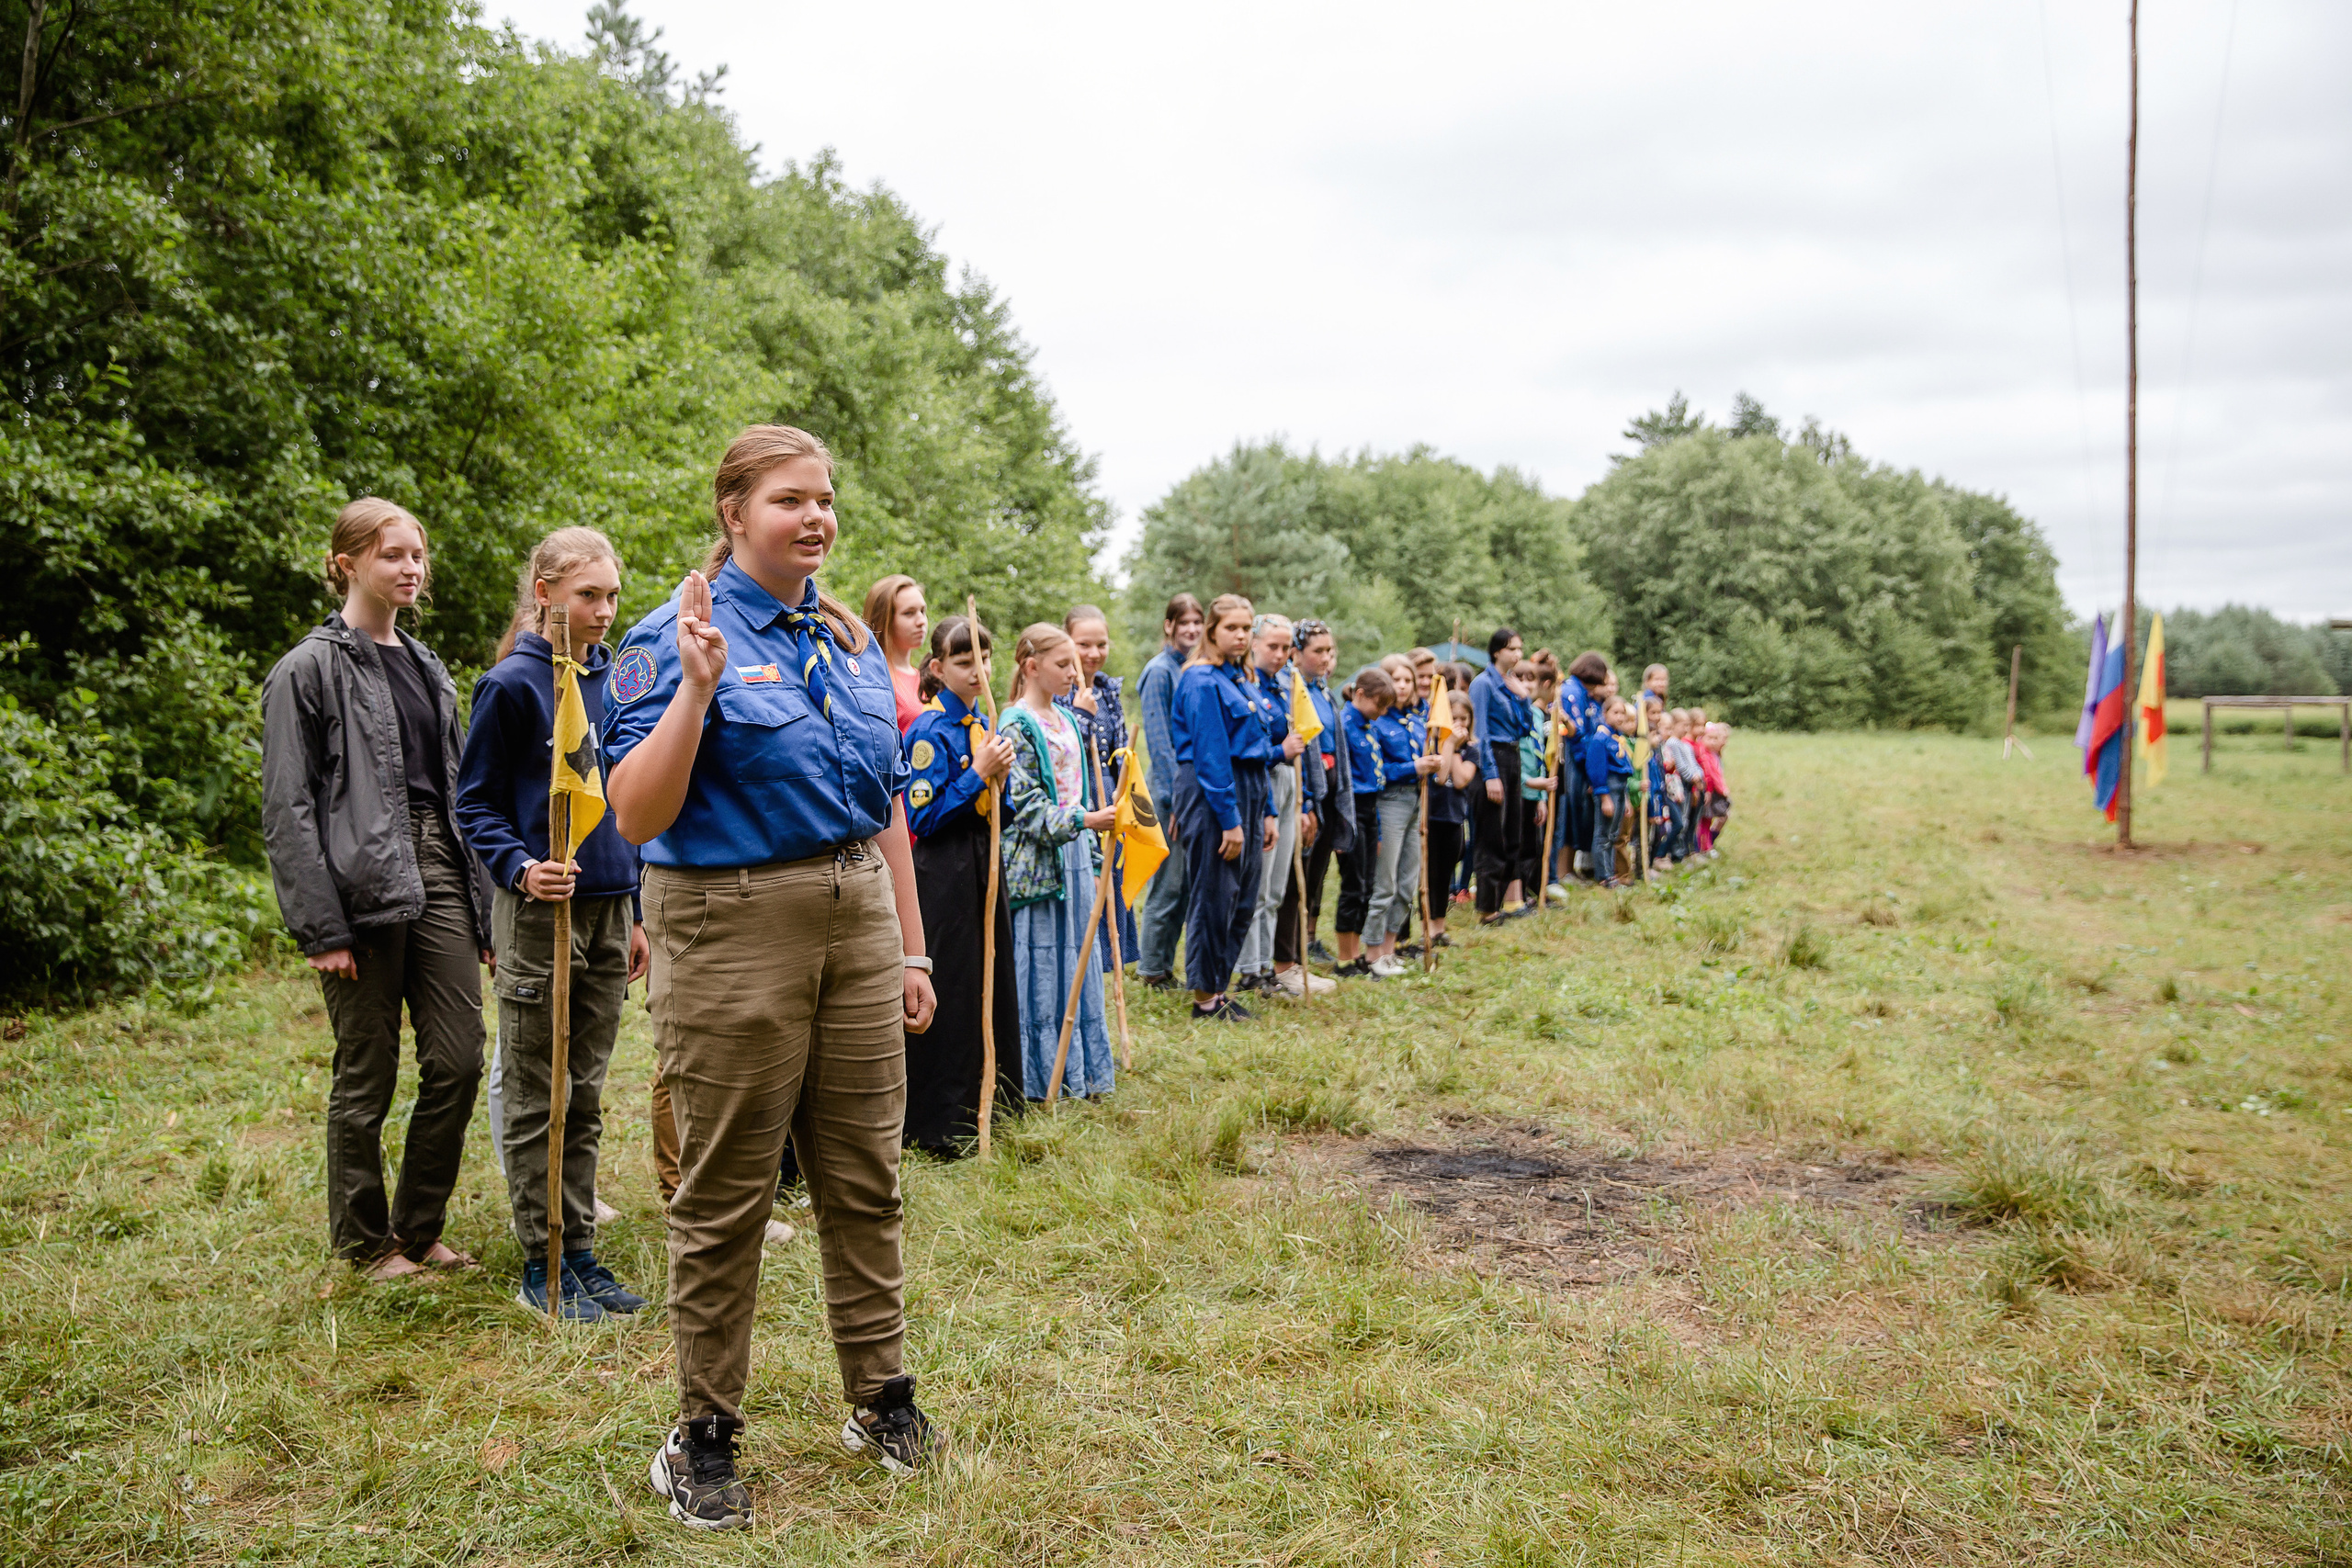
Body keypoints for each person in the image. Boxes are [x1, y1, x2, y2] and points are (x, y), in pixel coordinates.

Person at [604, 424, 944, 1530]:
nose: (817, 518)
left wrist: (909, 943)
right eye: (791, 499)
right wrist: (696, 696)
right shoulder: (671, 639)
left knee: (864, 1173)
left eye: (827, 499)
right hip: (731, 920)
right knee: (727, 1193)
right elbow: (635, 816)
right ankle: (700, 1436)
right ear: (734, 512)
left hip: (856, 916)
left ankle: (879, 1395)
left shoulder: (844, 641)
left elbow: (885, 801)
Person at [262, 498, 493, 1281]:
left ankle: (418, 1226)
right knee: (368, 1071)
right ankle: (365, 1244)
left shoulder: (429, 666)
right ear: (348, 562)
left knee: (460, 1059)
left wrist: (484, 910)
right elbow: (288, 806)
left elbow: (459, 791)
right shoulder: (307, 668)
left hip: (441, 871)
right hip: (357, 886)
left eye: (418, 556)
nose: (411, 568)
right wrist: (319, 924)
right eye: (393, 554)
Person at [453, 526, 650, 1320]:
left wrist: (633, 907)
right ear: (544, 593)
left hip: (607, 906)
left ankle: (582, 1253)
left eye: (610, 595)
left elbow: (625, 800)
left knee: (589, 1087)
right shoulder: (513, 684)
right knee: (540, 1089)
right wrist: (522, 865)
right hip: (541, 909)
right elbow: (475, 802)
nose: (603, 611)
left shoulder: (612, 681)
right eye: (586, 596)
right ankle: (543, 1258)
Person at [900, 615, 1023, 1150]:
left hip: (983, 863)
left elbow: (1003, 813)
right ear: (939, 667)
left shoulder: (987, 725)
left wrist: (1002, 778)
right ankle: (939, 1118)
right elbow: (922, 818)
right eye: (965, 661)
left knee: (989, 975)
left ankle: (991, 1099)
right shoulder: (929, 730)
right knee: (950, 983)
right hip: (943, 871)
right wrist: (976, 772)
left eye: (985, 659)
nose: (979, 671)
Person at [999, 623, 1118, 1098]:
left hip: (1074, 854)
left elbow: (1081, 788)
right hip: (1038, 862)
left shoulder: (1067, 720)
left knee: (1078, 961)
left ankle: (1081, 1072)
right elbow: (1023, 806)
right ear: (1031, 667)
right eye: (1063, 664)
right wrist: (1087, 822)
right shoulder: (1014, 722)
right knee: (1042, 969)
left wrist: (1090, 855)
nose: (1075, 673)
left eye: (1075, 664)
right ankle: (1038, 1076)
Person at [1170, 594, 1274, 1020]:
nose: (1241, 635)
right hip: (1212, 792)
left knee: (1242, 897)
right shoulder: (1201, 680)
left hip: (1247, 789)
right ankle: (1203, 1000)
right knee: (1214, 894)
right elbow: (1212, 755)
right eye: (1232, 627)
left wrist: (1266, 811)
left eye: (1247, 628)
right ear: (1212, 630)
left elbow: (1259, 750)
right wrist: (1230, 821)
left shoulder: (1238, 678)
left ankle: (1219, 988)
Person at [1060, 604, 1136, 976]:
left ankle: (1108, 972)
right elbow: (1062, 751)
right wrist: (1080, 714)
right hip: (1078, 800)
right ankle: (1081, 973)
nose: (1092, 653)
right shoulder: (1060, 691)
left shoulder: (1108, 689)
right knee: (1087, 889)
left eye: (1100, 644)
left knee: (1112, 887)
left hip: (1111, 800)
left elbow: (1120, 752)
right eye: (1083, 644)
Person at [1134, 593, 1204, 988]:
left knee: (1187, 883)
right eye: (1184, 623)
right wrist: (1179, 800)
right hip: (1168, 795)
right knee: (1170, 882)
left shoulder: (1193, 668)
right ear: (1169, 626)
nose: (1191, 630)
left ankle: (1163, 965)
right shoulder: (1160, 672)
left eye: (1198, 622)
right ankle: (1151, 969)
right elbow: (1161, 745)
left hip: (1190, 794)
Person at [1236, 615, 1309, 995]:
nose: (1280, 655)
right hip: (1263, 781)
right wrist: (1280, 750)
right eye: (1273, 647)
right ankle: (1250, 968)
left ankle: (1267, 967)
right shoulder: (1245, 684)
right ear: (1254, 643)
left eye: (1286, 648)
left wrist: (1306, 796)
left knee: (1277, 885)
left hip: (1288, 782)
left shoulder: (1287, 684)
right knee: (1260, 884)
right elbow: (1244, 750)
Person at [1289, 621, 1355, 968]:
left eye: (1330, 651)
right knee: (1300, 866)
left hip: (1331, 787)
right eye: (1318, 651)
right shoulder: (1292, 687)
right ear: (1296, 653)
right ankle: (1291, 946)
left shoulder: (1324, 690)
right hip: (1307, 788)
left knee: (1319, 868)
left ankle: (1311, 937)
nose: (1326, 658)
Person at [1365, 660, 1438, 976]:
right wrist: (1414, 767)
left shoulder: (1417, 720)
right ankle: (1372, 953)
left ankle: (1390, 949)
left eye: (1408, 679)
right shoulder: (1378, 723)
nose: (1404, 685)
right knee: (1386, 881)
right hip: (1391, 801)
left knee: (1408, 882)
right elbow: (1377, 771)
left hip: (1416, 801)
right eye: (1397, 679)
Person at [1331, 666, 1392, 979]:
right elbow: (1342, 780)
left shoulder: (1369, 727)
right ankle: (1344, 957)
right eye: (1378, 705)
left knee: (1367, 885)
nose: (1381, 713)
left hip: (1370, 810)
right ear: (1359, 694)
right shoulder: (1343, 725)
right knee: (1352, 885)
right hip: (1351, 809)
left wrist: (1378, 829)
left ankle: (1356, 956)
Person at [1469, 627, 1529, 922]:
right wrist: (1490, 774)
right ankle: (1486, 908)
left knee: (1511, 832)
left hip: (1513, 756)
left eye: (1520, 649)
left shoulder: (1512, 683)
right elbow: (1478, 732)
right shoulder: (1483, 684)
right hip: (1492, 758)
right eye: (1512, 649)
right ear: (1496, 652)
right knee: (1491, 833)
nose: (1517, 655)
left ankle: (1508, 901)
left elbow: (1525, 728)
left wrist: (1523, 697)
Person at [1509, 660, 1555, 907]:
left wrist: (1542, 798)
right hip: (1519, 788)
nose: (1526, 684)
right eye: (1520, 678)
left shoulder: (1537, 714)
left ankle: (1535, 892)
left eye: (1531, 679)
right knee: (1518, 846)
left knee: (1534, 846)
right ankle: (1519, 896)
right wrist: (1529, 783)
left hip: (1535, 792)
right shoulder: (1512, 714)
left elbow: (1539, 757)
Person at [860, 574, 930, 734]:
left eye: (922, 611)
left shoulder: (924, 677)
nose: (921, 621)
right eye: (909, 613)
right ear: (882, 620)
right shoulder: (874, 678)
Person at [1561, 652, 1609, 881]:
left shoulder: (1583, 693)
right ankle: (1563, 871)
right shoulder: (1572, 692)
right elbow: (1577, 735)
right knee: (1569, 812)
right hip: (1573, 760)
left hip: (1582, 761)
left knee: (1578, 813)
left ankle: (1570, 869)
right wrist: (1589, 767)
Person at [1583, 696, 1636, 890]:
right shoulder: (1600, 739)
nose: (1620, 717)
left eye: (1623, 712)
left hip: (1621, 789)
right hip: (1608, 788)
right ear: (1604, 714)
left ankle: (1611, 873)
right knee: (1603, 834)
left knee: (1613, 834)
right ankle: (1604, 876)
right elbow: (1596, 770)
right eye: (1616, 712)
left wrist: (1627, 800)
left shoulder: (1616, 738)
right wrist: (1604, 797)